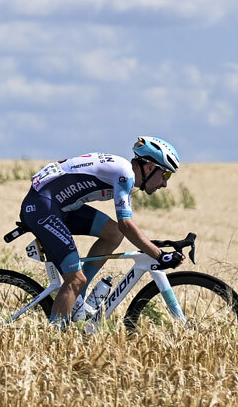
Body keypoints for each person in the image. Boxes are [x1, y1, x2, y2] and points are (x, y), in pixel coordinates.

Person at [20, 136, 183, 329]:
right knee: (75, 279)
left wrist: (150, 245)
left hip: (60, 206)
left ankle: (78, 298)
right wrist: (158, 254)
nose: (164, 184)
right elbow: (127, 225)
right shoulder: (125, 174)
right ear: (149, 167)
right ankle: (54, 338)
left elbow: (122, 229)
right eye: (165, 175)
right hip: (42, 208)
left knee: (113, 233)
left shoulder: (123, 172)